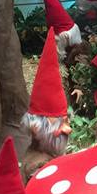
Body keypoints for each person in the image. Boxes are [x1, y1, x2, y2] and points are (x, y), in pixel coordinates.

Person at [21, 28, 72, 176]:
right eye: (60, 123)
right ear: (36, 127)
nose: (68, 129)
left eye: (66, 122)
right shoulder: (40, 167)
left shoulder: (49, 155)